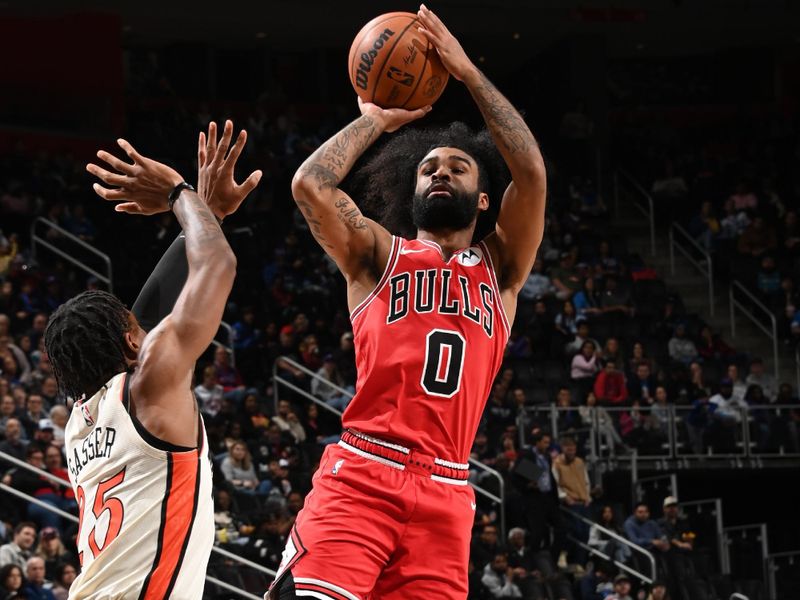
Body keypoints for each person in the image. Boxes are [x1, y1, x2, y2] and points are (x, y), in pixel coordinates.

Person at [270, 6, 546, 599]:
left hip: (447, 493)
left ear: (483, 201)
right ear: (411, 188)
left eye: (456, 166)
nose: (439, 172)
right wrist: (374, 118)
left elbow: (531, 171)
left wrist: (470, 76)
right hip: (363, 473)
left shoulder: (501, 270)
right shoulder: (376, 255)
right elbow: (310, 186)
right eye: (426, 168)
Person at [45, 121, 260, 599]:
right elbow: (218, 265)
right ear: (129, 341)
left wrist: (209, 212)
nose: (151, 329)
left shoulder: (80, 422)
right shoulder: (147, 387)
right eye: (139, 331)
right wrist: (179, 194)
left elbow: (140, 319)